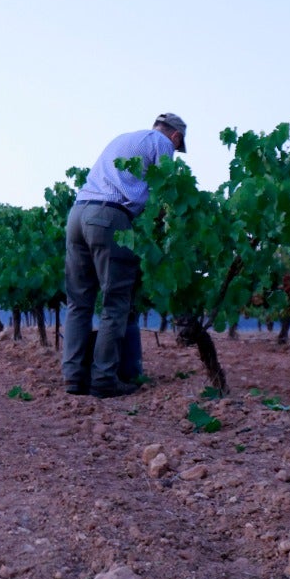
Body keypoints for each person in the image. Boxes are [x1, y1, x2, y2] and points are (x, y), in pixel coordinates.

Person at [61, 112, 186, 398]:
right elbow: (166, 190)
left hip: (78, 215)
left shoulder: (124, 138)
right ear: (175, 136)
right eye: (178, 149)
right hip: (108, 217)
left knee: (79, 302)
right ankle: (104, 378)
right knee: (116, 301)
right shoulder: (161, 143)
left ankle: (74, 377)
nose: (174, 153)